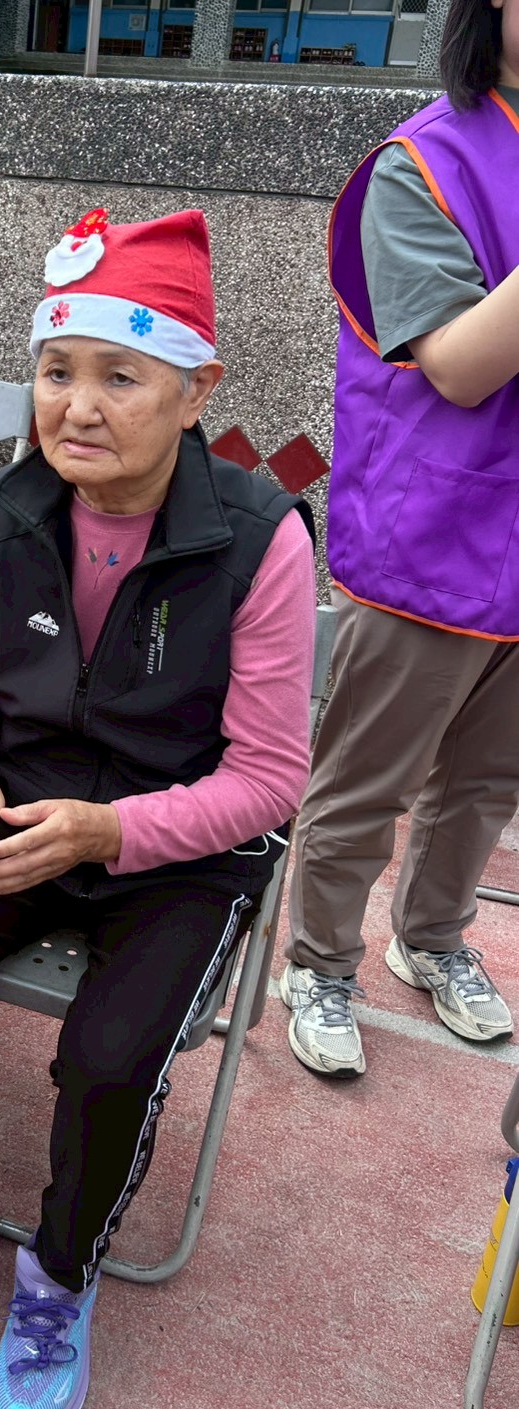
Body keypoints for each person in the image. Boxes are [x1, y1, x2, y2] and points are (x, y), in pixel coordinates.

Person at [0, 208, 316, 1409]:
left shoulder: (260, 541)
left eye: (120, 376)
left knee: (112, 1059)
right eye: (55, 371)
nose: (76, 407)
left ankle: (57, 1280)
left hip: (181, 846)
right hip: (20, 811)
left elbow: (267, 779)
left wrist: (108, 832)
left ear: (195, 392)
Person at [278, 0, 519, 1079]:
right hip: (433, 534)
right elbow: (459, 364)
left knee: (489, 780)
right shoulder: (422, 163)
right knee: (370, 777)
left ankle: (431, 938)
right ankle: (320, 961)